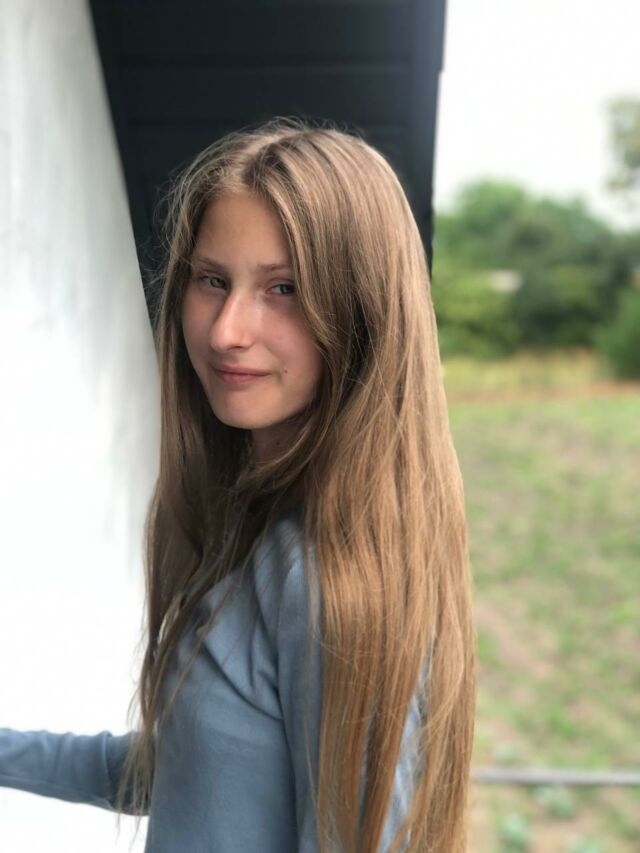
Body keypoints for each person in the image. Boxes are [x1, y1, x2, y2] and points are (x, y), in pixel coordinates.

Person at [0, 116, 476, 852]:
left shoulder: (321, 575)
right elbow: (191, 775)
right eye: (213, 280)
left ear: (361, 313)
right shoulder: (251, 525)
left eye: (283, 288)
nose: (226, 330)